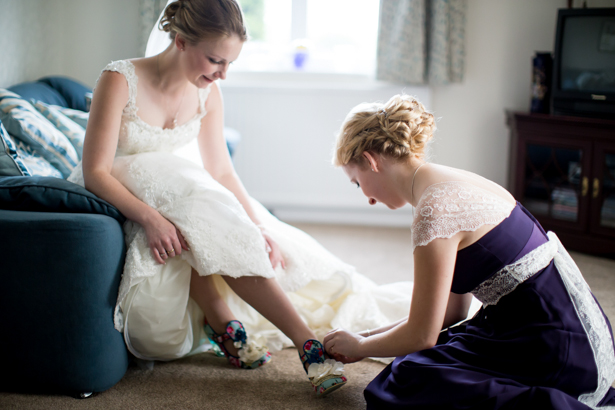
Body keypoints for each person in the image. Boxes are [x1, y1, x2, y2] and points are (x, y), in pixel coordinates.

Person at [66, 0, 413, 398]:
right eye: (215, 60)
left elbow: (222, 171)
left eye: (230, 63)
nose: (223, 74)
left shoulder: (208, 93)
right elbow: (95, 171)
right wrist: (149, 218)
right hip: (120, 188)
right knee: (183, 187)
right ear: (179, 41)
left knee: (243, 226)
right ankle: (302, 343)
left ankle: (228, 321)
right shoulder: (119, 79)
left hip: (175, 194)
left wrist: (257, 226)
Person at [325, 94, 615, 408]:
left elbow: (421, 336)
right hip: (553, 323)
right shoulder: (446, 182)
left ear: (371, 161)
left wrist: (361, 346)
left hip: (552, 342)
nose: (366, 198)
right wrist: (364, 338)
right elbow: (452, 314)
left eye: (357, 183)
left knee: (405, 380)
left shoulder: (434, 211)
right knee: (425, 358)